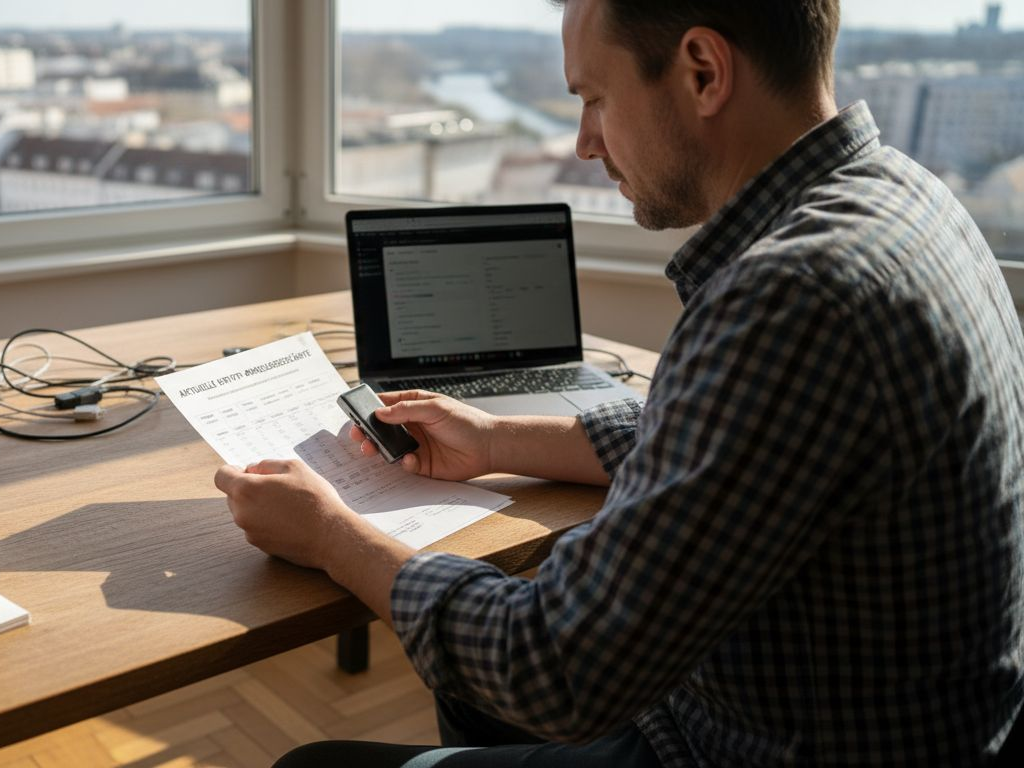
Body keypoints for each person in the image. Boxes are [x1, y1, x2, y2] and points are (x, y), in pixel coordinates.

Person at [213, 0, 1024, 764]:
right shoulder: (904, 199)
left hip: (748, 746)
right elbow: (722, 442)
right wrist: (496, 436)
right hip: (849, 710)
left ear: (703, 70)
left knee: (314, 764)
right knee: (466, 694)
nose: (583, 143)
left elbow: (555, 669)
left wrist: (331, 535)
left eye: (595, 98)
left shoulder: (795, 291)